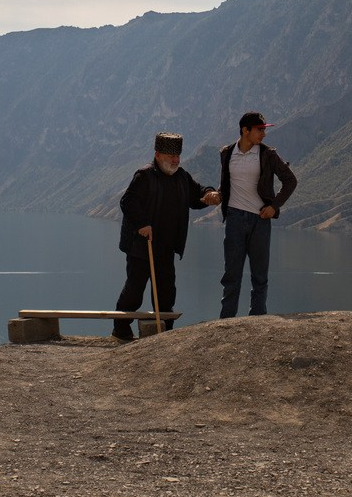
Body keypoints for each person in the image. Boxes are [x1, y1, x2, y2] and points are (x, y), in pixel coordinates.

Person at [112, 132, 221, 341]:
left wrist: (209, 193)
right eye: (171, 156)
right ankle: (121, 329)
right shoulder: (144, 176)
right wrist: (142, 223)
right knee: (134, 290)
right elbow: (128, 201)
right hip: (141, 245)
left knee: (166, 292)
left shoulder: (182, 177)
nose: (176, 160)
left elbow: (196, 194)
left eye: (177, 156)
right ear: (158, 154)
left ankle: (165, 332)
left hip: (166, 247)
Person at [217, 111, 298, 319]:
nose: (263, 134)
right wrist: (217, 194)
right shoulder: (227, 153)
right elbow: (226, 184)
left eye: (264, 130)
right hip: (234, 219)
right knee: (231, 275)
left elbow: (290, 180)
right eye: (259, 129)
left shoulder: (268, 154)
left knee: (259, 276)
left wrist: (274, 206)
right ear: (245, 130)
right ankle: (226, 322)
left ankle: (258, 321)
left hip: (260, 220)